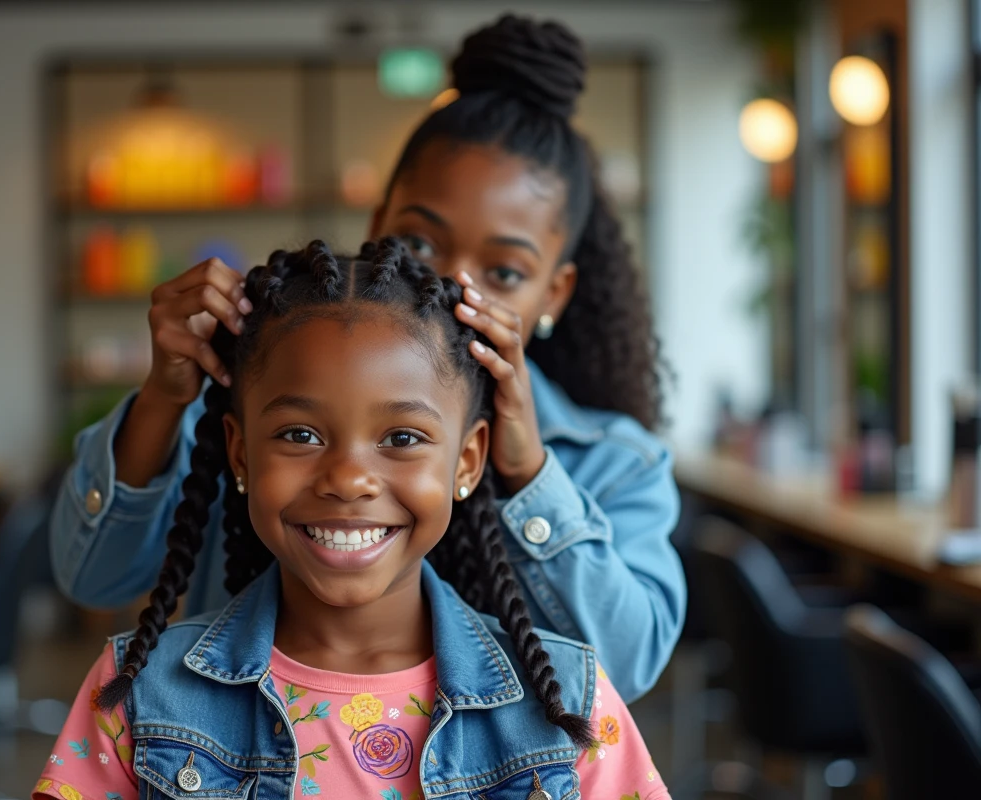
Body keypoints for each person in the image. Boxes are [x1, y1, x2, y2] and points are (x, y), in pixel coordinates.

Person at [51, 15, 684, 701]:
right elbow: (91, 578)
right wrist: (164, 398)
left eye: (503, 273)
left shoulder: (614, 460)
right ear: (378, 226)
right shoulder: (253, 414)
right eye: (421, 243)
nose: (454, 287)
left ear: (555, 292)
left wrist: (528, 473)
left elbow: (623, 671)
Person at [33, 241, 670, 800]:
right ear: (238, 452)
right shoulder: (138, 698)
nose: (347, 478)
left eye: (401, 437)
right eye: (300, 433)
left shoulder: (567, 704)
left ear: (467, 461)